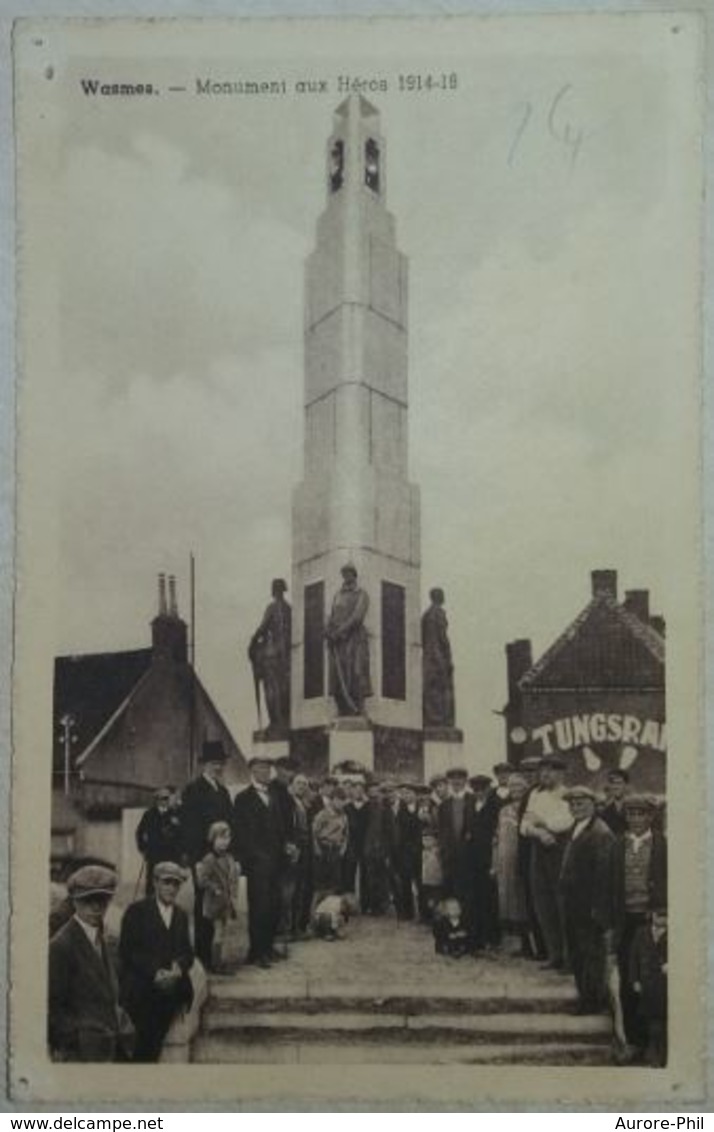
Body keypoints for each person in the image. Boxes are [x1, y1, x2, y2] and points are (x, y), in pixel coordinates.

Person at [48, 865, 133, 1062]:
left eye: (102, 900)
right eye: (88, 900)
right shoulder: (61, 946)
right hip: (81, 1055)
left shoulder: (104, 938)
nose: (96, 907)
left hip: (111, 1047)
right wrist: (77, 1040)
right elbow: (53, 1009)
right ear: (74, 901)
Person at [119, 861, 194, 1062]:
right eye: (166, 882)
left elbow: (187, 952)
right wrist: (155, 972)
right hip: (142, 982)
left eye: (176, 884)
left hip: (172, 985)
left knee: (164, 1005)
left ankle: (142, 1063)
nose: (171, 888)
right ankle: (141, 1063)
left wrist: (179, 967)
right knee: (147, 1018)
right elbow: (128, 951)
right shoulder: (136, 912)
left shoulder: (180, 915)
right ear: (155, 883)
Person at [612, 794, 668, 1053]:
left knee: (655, 979)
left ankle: (656, 1041)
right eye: (631, 814)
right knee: (628, 978)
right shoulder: (617, 845)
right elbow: (606, 884)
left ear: (650, 817)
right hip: (625, 921)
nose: (635, 819)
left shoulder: (662, 845)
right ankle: (633, 1040)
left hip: (652, 921)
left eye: (640, 814)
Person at [558, 786, 616, 1014]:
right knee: (578, 953)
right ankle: (585, 996)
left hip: (588, 906)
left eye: (581, 803)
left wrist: (598, 908)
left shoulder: (600, 833)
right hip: (574, 903)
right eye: (572, 804)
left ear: (593, 805)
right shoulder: (577, 827)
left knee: (591, 953)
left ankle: (592, 1001)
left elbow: (604, 876)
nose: (576, 807)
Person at [181, 739, 235, 970]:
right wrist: (200, 856)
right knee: (205, 906)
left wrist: (226, 849)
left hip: (222, 856)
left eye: (221, 763)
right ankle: (202, 958)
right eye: (214, 763)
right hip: (203, 856)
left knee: (221, 904)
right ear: (204, 765)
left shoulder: (223, 791)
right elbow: (189, 827)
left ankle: (216, 957)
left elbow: (231, 823)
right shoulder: (193, 790)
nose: (218, 767)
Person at [520, 754, 573, 969]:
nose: (545, 775)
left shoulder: (567, 795)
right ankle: (555, 955)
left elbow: (566, 822)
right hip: (538, 848)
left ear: (561, 773)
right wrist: (540, 833)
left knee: (562, 903)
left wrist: (544, 824)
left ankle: (570, 958)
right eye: (542, 771)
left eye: (550, 770)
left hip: (560, 850)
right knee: (543, 903)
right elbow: (524, 825)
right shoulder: (534, 794)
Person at [232, 755, 286, 968]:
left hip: (276, 861)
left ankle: (268, 946)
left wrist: (285, 846)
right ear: (252, 771)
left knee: (274, 904)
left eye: (268, 768)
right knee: (259, 907)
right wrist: (254, 856)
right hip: (257, 863)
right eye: (262, 768)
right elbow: (241, 834)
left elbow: (280, 826)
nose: (266, 772)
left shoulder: (274, 795)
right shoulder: (243, 799)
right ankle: (256, 951)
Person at [325, 563, 372, 716]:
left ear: (354, 574)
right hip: (338, 643)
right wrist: (329, 631)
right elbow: (331, 616)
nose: (345, 576)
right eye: (343, 573)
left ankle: (358, 708)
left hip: (355, 639)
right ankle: (342, 709)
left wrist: (340, 631)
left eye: (348, 573)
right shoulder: (337, 595)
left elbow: (357, 617)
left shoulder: (361, 594)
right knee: (338, 677)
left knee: (357, 673)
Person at [196, 821, 241, 973]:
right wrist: (214, 888)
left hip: (226, 902)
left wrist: (234, 892)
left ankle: (220, 960)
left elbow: (232, 877)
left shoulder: (229, 858)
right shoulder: (209, 859)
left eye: (227, 838)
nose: (224, 842)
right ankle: (216, 964)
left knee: (224, 932)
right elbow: (202, 880)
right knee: (218, 932)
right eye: (220, 838)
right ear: (212, 839)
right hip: (214, 902)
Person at [491, 773, 529, 953]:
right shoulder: (503, 810)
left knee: (520, 896)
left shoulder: (528, 807)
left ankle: (525, 941)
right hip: (504, 857)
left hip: (520, 856)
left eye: (519, 786)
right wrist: (495, 860)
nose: (515, 790)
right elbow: (497, 836)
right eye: (512, 787)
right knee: (504, 895)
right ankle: (509, 939)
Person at [437, 767, 477, 939]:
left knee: (468, 897)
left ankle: (469, 934)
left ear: (465, 781)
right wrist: (443, 852)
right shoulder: (444, 805)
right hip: (450, 858)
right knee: (451, 897)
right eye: (453, 779)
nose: (456, 782)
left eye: (460, 778)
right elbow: (442, 831)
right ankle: (451, 932)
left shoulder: (473, 801)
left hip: (468, 858)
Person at [249, 578, 292, 734]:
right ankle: (284, 719)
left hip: (273, 655)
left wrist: (252, 641)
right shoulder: (289, 609)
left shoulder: (272, 608)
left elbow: (262, 628)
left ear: (274, 591)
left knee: (271, 688)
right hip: (287, 656)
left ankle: (275, 721)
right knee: (284, 688)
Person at [628, 907, 668, 1066]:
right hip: (646, 982)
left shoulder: (674, 933)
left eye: (666, 917)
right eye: (660, 916)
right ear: (652, 916)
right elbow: (633, 958)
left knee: (660, 1020)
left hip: (663, 984)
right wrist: (635, 980)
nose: (663, 920)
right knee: (649, 1019)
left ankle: (659, 1055)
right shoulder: (641, 933)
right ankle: (651, 1052)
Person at [269, 755, 301, 943]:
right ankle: (278, 932)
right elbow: (277, 824)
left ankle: (285, 929)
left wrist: (293, 845)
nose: (289, 773)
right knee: (279, 893)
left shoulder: (286, 793)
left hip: (289, 848)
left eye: (291, 770)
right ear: (278, 769)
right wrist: (286, 844)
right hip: (279, 849)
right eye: (286, 769)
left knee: (287, 893)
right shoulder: (273, 791)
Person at [468, 774, 501, 950]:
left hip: (489, 855)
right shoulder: (471, 805)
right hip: (473, 857)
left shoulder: (495, 805)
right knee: (476, 896)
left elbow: (497, 831)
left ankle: (493, 936)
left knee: (490, 897)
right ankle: (478, 935)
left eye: (482, 789)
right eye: (476, 789)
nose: (479, 792)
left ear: (488, 789)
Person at [135, 786, 185, 894]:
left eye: (167, 798)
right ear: (157, 799)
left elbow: (181, 836)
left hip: (170, 855)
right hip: (154, 854)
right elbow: (139, 832)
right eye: (163, 798)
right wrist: (143, 848)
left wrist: (179, 854)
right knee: (152, 883)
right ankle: (150, 906)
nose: (165, 801)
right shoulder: (149, 814)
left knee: (169, 883)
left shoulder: (174, 814)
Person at [421, 587, 455, 728]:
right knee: (443, 689)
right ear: (439, 597)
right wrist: (447, 658)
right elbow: (443, 637)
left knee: (430, 688)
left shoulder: (426, 615)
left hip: (428, 657)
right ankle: (441, 719)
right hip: (438, 657)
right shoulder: (438, 613)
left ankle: (432, 718)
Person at [311, 786, 349, 910]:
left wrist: (343, 849)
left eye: (343, 800)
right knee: (321, 884)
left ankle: (330, 911)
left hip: (336, 851)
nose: (340, 803)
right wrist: (317, 849)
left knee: (335, 882)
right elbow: (314, 833)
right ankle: (316, 911)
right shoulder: (323, 814)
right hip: (323, 849)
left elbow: (346, 834)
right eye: (338, 799)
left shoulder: (344, 816)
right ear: (332, 800)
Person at [362, 781, 395, 915]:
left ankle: (382, 905)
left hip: (382, 848)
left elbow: (391, 831)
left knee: (383, 878)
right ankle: (370, 905)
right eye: (371, 792)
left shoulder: (386, 810)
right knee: (369, 878)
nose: (374, 794)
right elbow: (361, 829)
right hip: (369, 848)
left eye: (377, 792)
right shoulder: (366, 808)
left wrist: (387, 849)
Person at [393, 783, 423, 921]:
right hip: (405, 851)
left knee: (420, 881)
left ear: (416, 795)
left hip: (420, 850)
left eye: (410, 793)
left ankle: (424, 913)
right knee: (405, 881)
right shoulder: (401, 811)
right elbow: (398, 832)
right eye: (405, 794)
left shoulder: (422, 809)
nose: (408, 796)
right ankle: (407, 912)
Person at [343, 778, 369, 907]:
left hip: (365, 844)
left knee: (366, 873)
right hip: (351, 844)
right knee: (349, 873)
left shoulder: (368, 807)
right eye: (355, 789)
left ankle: (365, 903)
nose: (358, 792)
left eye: (361, 789)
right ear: (351, 791)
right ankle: (349, 903)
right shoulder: (347, 807)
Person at [600, 769, 630, 835]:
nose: (615, 787)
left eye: (619, 783)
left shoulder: (632, 807)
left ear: (626, 786)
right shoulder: (605, 812)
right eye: (613, 783)